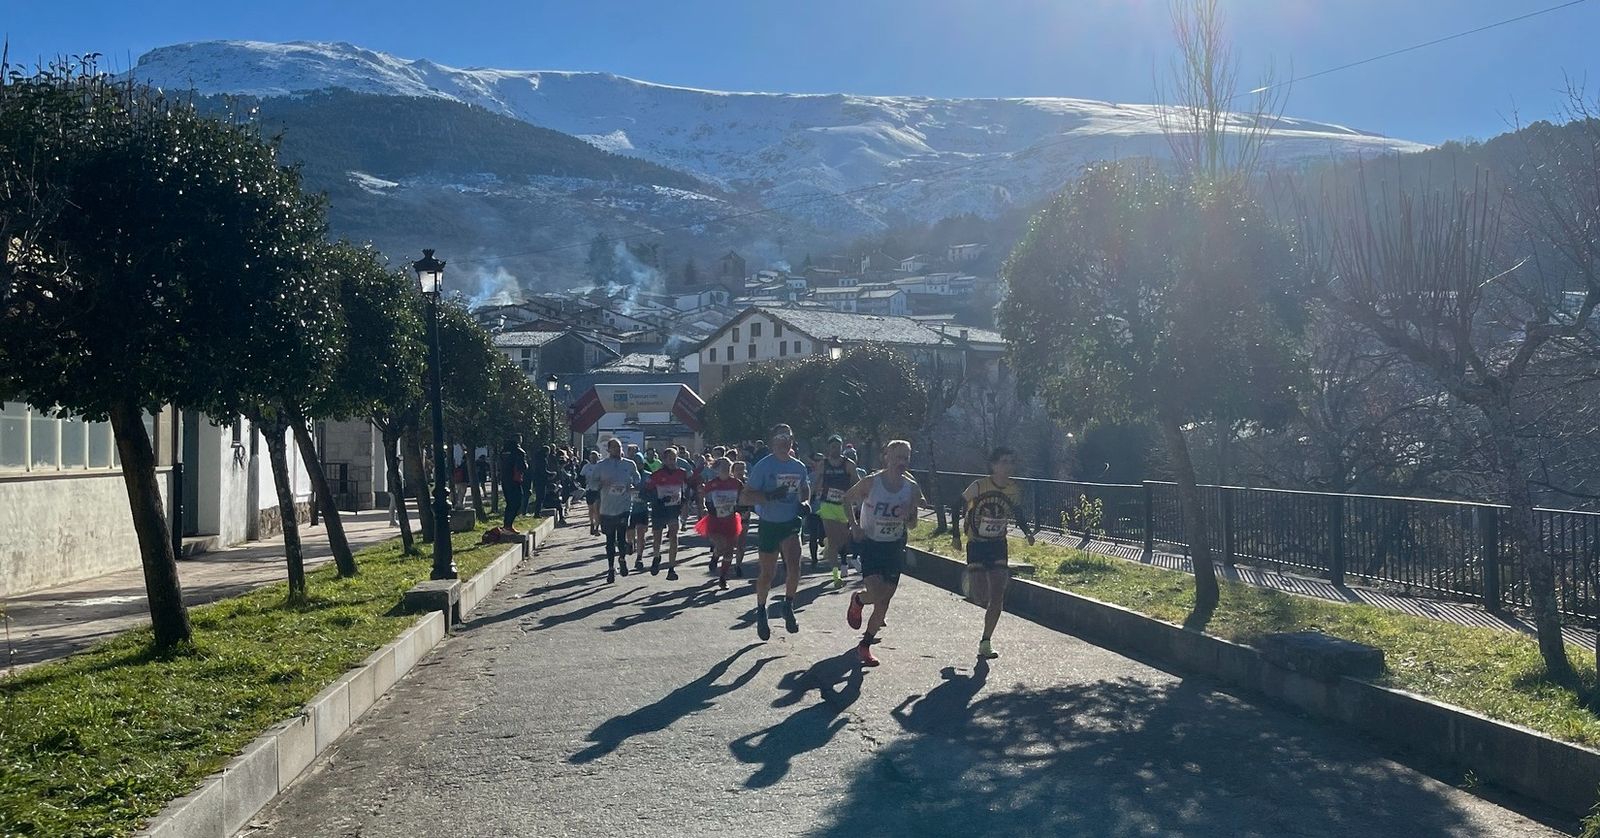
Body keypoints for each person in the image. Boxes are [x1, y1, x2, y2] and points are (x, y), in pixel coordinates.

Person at [843, 440, 922, 667]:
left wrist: (909, 516)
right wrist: (855, 526)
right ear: (886, 457)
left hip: (894, 546)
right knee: (877, 594)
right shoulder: (871, 482)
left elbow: (914, 524)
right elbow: (847, 499)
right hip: (871, 544)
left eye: (906, 458)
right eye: (898, 457)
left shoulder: (911, 488)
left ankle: (865, 645)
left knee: (884, 600)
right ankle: (858, 600)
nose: (902, 462)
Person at [954, 446, 1036, 660]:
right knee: (981, 596)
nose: (1008, 466)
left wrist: (1027, 533)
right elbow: (956, 505)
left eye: (1011, 462)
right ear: (994, 465)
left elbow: (1017, 513)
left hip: (998, 544)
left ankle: (986, 641)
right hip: (977, 544)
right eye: (1004, 462)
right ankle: (971, 582)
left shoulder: (1014, 489)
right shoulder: (980, 485)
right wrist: (955, 535)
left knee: (998, 595)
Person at [740, 423, 811, 640]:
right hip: (770, 523)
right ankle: (762, 610)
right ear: (773, 443)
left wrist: (805, 501)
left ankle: (788, 605)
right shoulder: (763, 466)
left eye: (788, 440)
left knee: (794, 565)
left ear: (791, 443)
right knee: (767, 573)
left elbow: (804, 487)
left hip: (790, 521)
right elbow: (745, 496)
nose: (784, 444)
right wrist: (770, 496)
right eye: (780, 440)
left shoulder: (799, 466)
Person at [592, 438, 641, 583]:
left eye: (619, 447)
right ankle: (611, 568)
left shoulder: (629, 464)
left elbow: (637, 479)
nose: (618, 450)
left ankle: (622, 558)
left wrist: (633, 487)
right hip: (607, 507)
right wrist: (601, 483)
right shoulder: (601, 466)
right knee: (609, 539)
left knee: (621, 536)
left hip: (624, 506)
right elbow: (592, 483)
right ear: (608, 450)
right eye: (614, 447)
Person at [813, 434, 859, 588]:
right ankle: (835, 575)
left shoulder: (848, 464)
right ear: (828, 448)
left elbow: (856, 483)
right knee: (834, 542)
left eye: (838, 447)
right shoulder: (823, 464)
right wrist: (810, 497)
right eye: (833, 447)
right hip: (827, 505)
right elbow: (817, 480)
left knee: (843, 540)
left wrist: (856, 499)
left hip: (844, 506)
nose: (835, 449)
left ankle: (828, 544)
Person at [696, 457, 744, 590]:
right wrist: (704, 508)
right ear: (717, 469)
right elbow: (702, 498)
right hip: (715, 520)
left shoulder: (736, 483)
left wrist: (744, 507)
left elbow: (743, 497)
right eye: (723, 467)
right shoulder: (712, 484)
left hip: (731, 519)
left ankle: (723, 577)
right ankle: (715, 557)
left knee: (729, 551)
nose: (725, 469)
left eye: (728, 467)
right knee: (721, 545)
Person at [644, 447, 690, 580]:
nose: (672, 461)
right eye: (669, 459)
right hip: (659, 509)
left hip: (673, 509)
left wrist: (684, 500)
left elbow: (686, 488)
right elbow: (646, 492)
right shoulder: (657, 475)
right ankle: (656, 556)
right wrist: (657, 499)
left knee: (674, 536)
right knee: (657, 537)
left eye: (674, 459)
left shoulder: (681, 473)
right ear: (664, 460)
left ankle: (671, 568)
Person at [499, 437, 528, 533]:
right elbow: (523, 466)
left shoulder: (503, 451)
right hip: (515, 480)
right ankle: (508, 525)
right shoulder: (519, 452)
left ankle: (506, 525)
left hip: (505, 480)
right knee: (517, 502)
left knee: (509, 503)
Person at [731, 459, 752, 579]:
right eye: (737, 469)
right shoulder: (728, 483)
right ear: (732, 471)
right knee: (728, 542)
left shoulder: (748, 483)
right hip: (730, 514)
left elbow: (752, 498)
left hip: (744, 514)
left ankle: (738, 565)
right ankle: (716, 556)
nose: (740, 472)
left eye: (742, 469)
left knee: (741, 543)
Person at [581, 450, 603, 536]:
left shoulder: (600, 466)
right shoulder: (586, 467)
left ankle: (597, 527)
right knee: (591, 509)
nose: (593, 459)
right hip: (589, 489)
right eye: (592, 457)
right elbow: (581, 476)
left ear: (598, 458)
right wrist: (584, 482)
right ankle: (591, 523)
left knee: (596, 509)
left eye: (595, 457)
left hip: (597, 490)